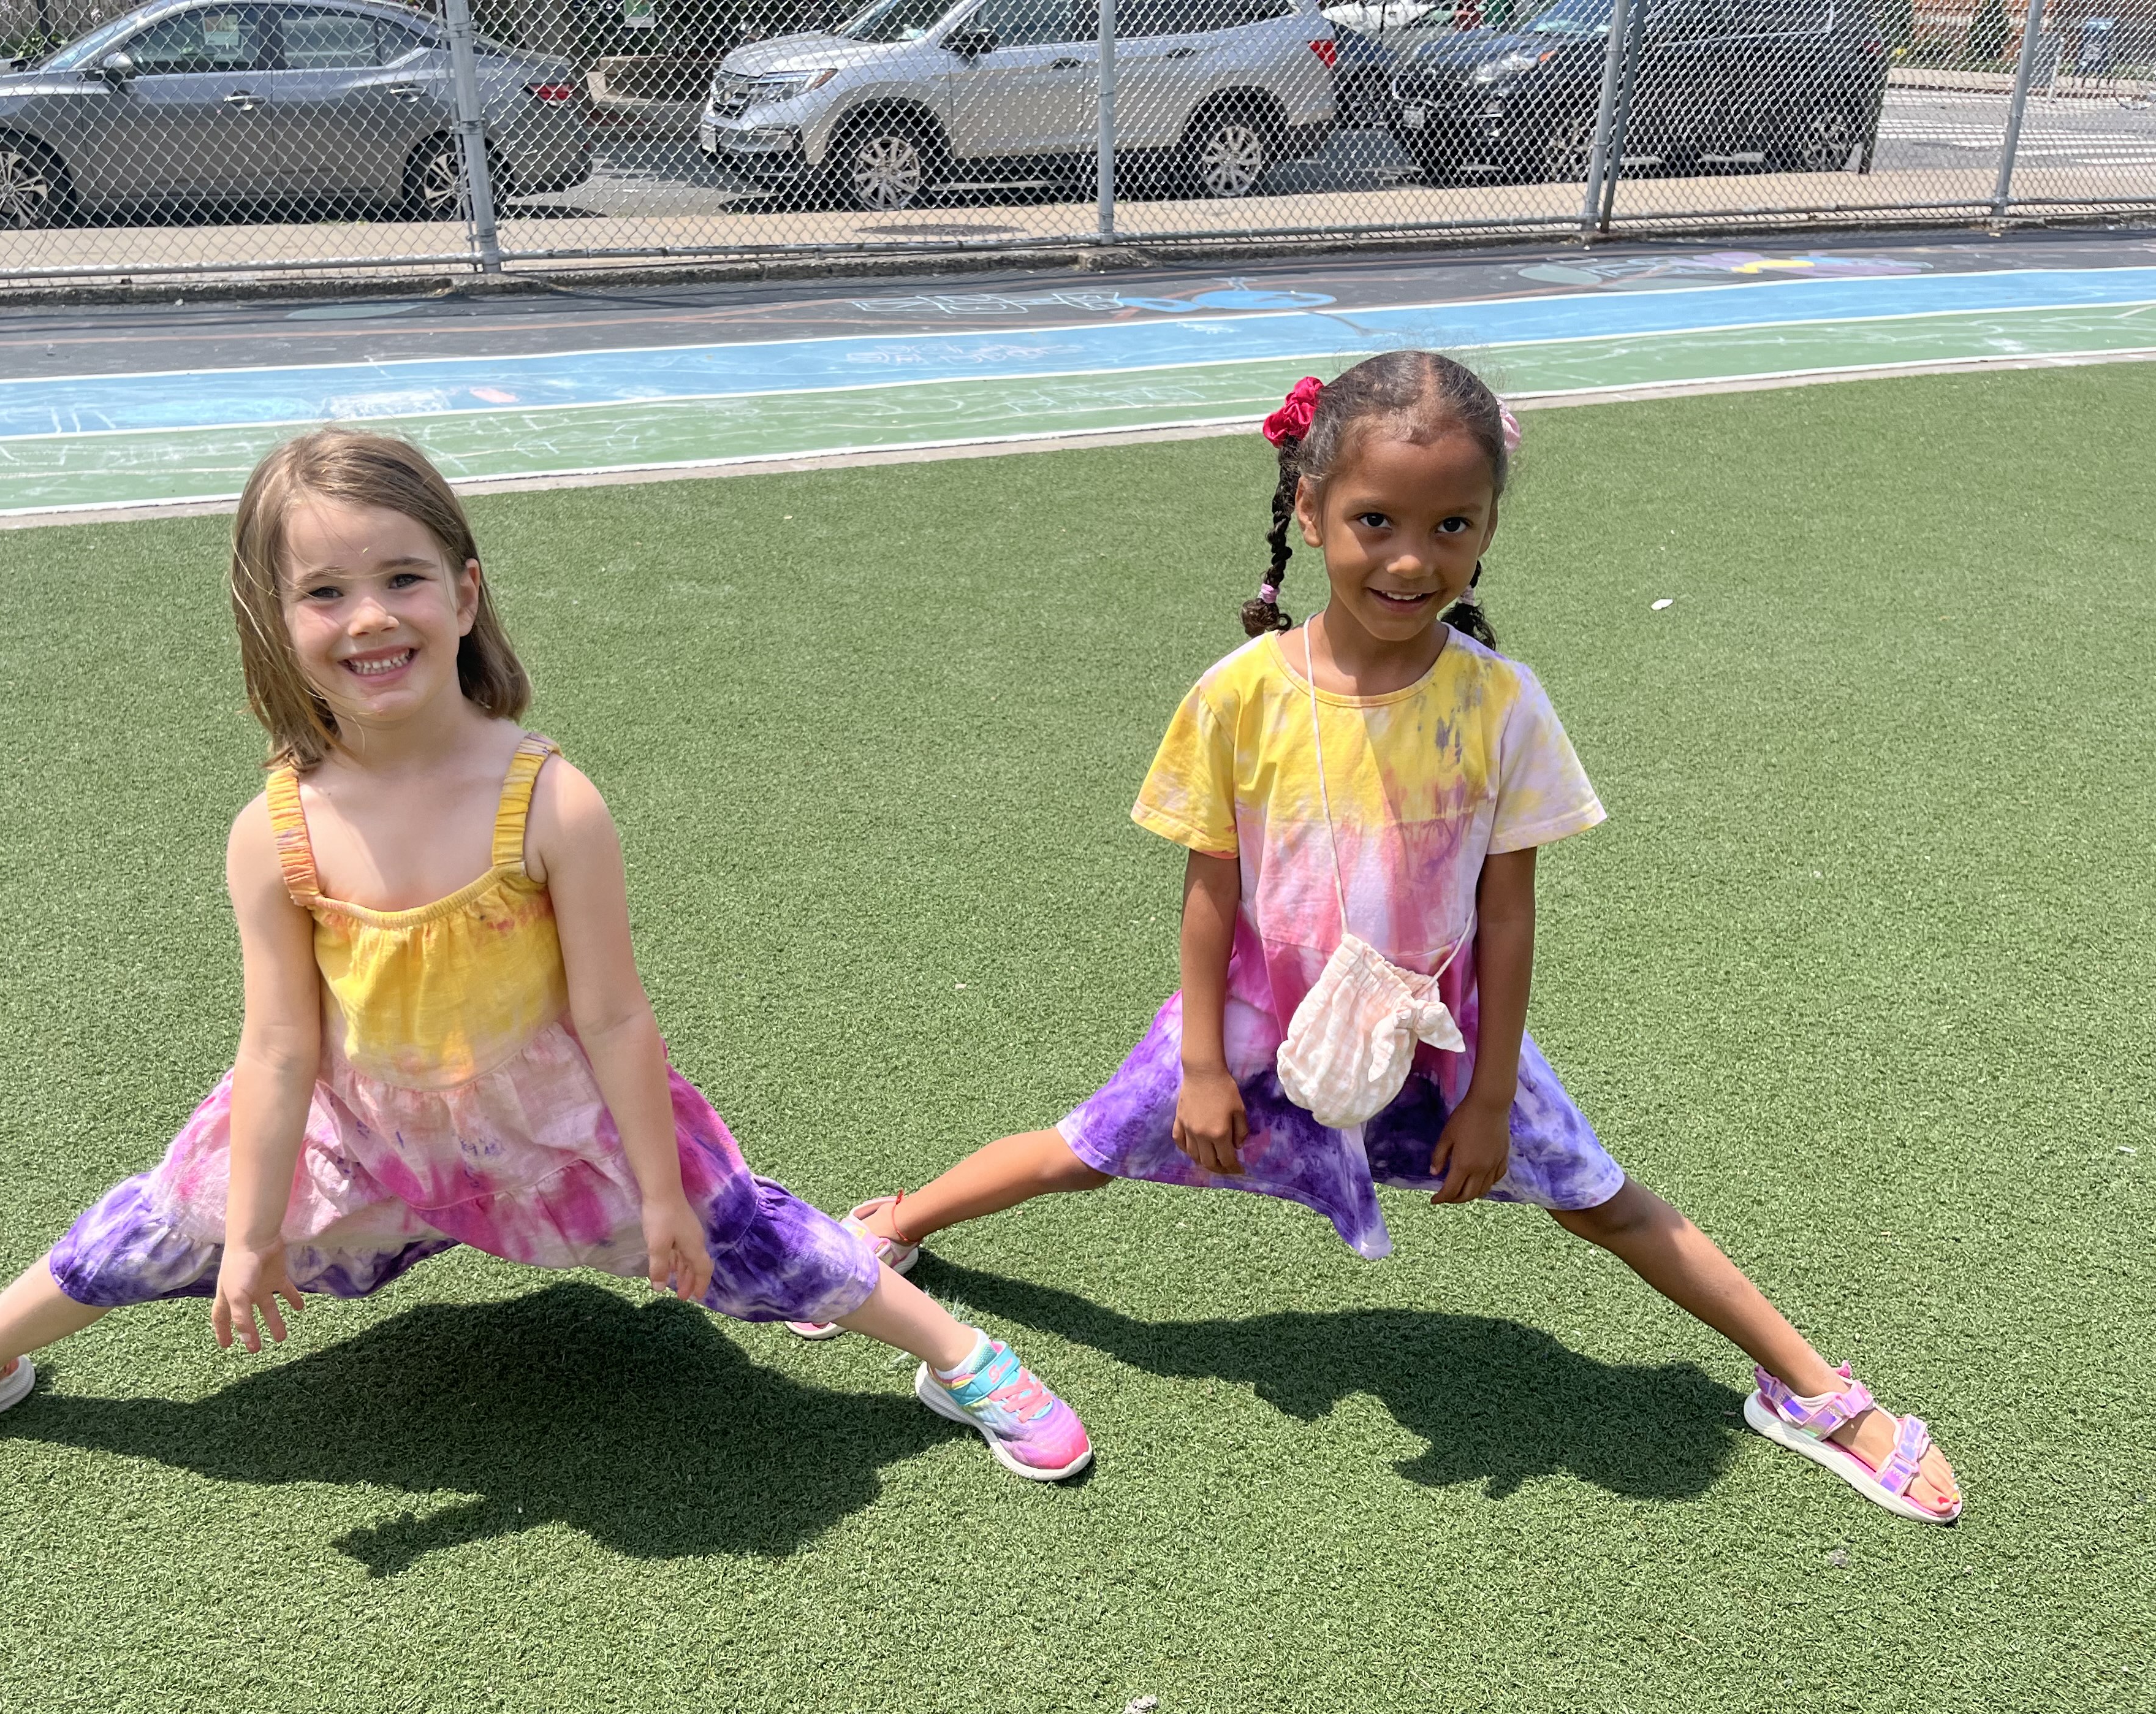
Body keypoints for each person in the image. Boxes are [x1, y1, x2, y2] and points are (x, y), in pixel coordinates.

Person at [797, 351, 1959, 1525]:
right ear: (1308, 513)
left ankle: (1810, 1389)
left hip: (1435, 1026)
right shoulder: (1239, 694)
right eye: (1374, 520)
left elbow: (1508, 910)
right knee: (1086, 1147)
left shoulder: (1504, 704)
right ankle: (891, 1226)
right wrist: (1202, 1064)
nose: (1412, 558)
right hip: (1259, 1022)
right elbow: (1210, 892)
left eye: (1453, 523)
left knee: (1605, 1199)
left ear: (1490, 524)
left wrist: (1493, 1094)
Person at [0, 428, 1091, 1496]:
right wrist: (252, 1233)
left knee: (739, 1235)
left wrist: (658, 1190)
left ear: (465, 595)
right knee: (142, 1233)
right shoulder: (272, 831)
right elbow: (275, 1051)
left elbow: (613, 1017)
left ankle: (956, 1356)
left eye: (403, 579)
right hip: (359, 1137)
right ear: (276, 619)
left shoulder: (551, 801)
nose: (369, 618)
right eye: (324, 594)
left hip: (553, 1136)